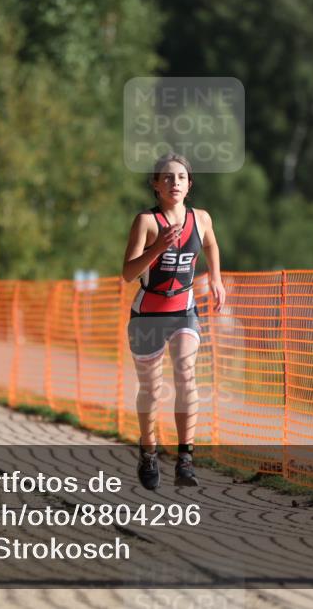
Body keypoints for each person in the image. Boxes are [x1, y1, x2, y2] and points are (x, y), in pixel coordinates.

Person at [122, 153, 225, 489]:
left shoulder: (202, 218)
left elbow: (210, 243)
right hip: (148, 314)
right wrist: (156, 249)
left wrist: (216, 279)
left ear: (190, 184)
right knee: (151, 390)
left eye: (180, 177)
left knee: (185, 371)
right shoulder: (146, 222)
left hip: (184, 310)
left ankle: (185, 458)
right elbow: (127, 273)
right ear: (155, 184)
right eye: (166, 177)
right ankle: (149, 450)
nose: (174, 183)